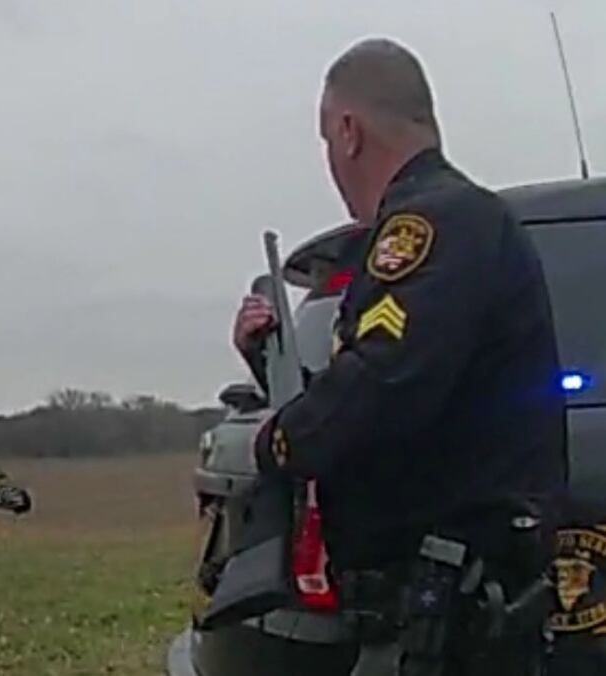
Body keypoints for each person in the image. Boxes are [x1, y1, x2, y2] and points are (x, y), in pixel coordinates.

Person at [233, 37, 568, 675]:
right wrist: (267, 359)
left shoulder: (432, 223)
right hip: (430, 609)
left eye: (327, 140)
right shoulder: (449, 222)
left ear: (349, 132)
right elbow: (391, 389)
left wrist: (274, 442)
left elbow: (382, 387)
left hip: (456, 616)